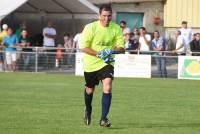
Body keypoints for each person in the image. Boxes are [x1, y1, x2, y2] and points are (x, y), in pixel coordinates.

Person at [80, 4, 124, 127]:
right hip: (90, 64)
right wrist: (99, 54)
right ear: (99, 15)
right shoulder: (90, 28)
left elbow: (122, 48)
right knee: (89, 89)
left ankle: (103, 119)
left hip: (107, 63)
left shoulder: (116, 28)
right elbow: (83, 47)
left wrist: (112, 51)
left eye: (109, 16)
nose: (106, 19)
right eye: (104, 16)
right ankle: (88, 109)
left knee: (108, 86)